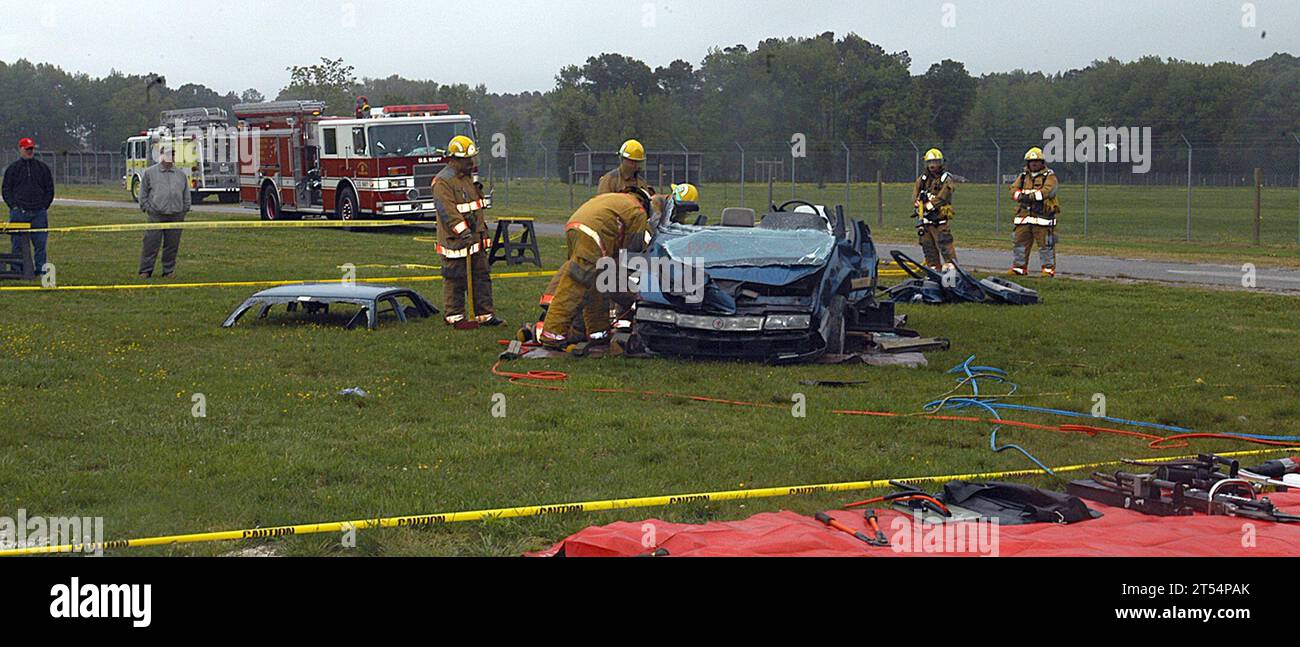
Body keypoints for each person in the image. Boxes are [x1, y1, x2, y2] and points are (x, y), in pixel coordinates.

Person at [537, 188, 654, 349]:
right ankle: (552, 334)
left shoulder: (614, 199)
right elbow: (631, 253)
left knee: (597, 284)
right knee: (576, 283)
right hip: (594, 234)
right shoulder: (638, 211)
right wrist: (628, 290)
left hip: (574, 226)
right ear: (645, 204)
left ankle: (598, 333)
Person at [432, 135, 502, 326]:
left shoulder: (468, 180)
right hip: (455, 241)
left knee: (481, 276)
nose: (471, 163)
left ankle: (484, 315)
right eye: (467, 159)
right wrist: (463, 233)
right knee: (455, 278)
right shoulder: (442, 182)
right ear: (455, 159)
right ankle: (455, 316)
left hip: (475, 241)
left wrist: (482, 233)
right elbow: (449, 212)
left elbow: (476, 209)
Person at [137, 143, 191, 279]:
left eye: (172, 154)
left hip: (176, 215)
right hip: (156, 215)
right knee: (151, 243)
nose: (169, 156)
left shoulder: (181, 175)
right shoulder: (150, 173)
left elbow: (186, 194)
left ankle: (168, 270)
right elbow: (142, 193)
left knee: (172, 245)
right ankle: (146, 270)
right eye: (167, 154)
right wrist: (147, 208)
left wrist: (184, 209)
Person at [2, 137, 55, 275]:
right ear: (21, 149)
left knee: (40, 244)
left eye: (31, 149)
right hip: (19, 212)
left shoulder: (42, 168)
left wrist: (44, 205)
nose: (30, 152)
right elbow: (6, 189)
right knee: (17, 243)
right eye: (27, 149)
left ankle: (41, 270)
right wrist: (13, 206)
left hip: (39, 212)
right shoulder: (13, 169)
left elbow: (49, 188)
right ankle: (17, 269)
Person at [1009, 147, 1061, 277]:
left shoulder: (1049, 176)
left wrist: (1027, 196)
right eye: (1031, 161)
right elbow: (1013, 190)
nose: (1034, 163)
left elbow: (1048, 192)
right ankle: (1019, 268)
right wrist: (1020, 196)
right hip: (1023, 218)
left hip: (1043, 218)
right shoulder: (1022, 177)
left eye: (1037, 161)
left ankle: (1048, 269)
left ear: (1042, 162)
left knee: (1046, 245)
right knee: (1020, 244)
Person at [911, 148, 958, 271]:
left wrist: (928, 206)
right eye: (930, 162)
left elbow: (943, 197)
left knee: (944, 242)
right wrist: (917, 203)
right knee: (927, 245)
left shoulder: (945, 179)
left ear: (941, 163)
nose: (932, 166)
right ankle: (933, 268)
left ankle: (951, 268)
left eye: (936, 162)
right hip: (925, 220)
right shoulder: (923, 179)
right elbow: (915, 194)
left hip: (939, 219)